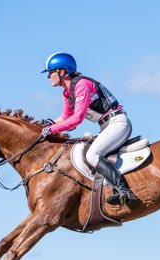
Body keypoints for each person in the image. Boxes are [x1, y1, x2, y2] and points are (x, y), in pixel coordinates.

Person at [40, 52, 138, 206]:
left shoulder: (82, 85)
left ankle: (125, 191)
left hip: (117, 123)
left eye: (51, 72)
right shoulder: (67, 93)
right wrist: (49, 125)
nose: (48, 77)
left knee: (93, 155)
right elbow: (65, 116)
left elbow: (76, 119)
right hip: (106, 125)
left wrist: (52, 130)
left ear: (63, 72)